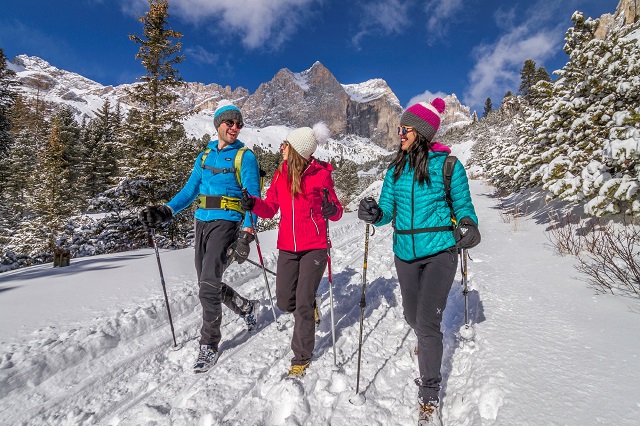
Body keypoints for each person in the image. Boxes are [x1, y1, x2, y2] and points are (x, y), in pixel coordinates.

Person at [357, 99, 480, 425]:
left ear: (422, 133)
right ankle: (426, 344)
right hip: (405, 255)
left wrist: (468, 224)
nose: (400, 133)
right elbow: (386, 213)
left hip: (440, 251)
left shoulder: (447, 166)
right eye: (399, 128)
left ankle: (429, 391)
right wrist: (374, 213)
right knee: (412, 316)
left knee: (426, 323)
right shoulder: (394, 170)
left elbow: (464, 205)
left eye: (405, 129)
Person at [139, 104, 262, 374]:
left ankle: (209, 344)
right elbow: (191, 189)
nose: (234, 127)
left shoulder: (245, 156)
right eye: (229, 122)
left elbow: (254, 198)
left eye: (238, 124)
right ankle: (245, 307)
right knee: (207, 282)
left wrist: (247, 234)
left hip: (227, 222)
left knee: (207, 285)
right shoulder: (205, 154)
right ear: (218, 124)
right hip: (202, 222)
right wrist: (166, 210)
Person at [241, 122, 343, 378]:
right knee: (285, 301)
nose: (281, 147)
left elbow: (337, 209)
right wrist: (253, 203)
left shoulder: (321, 174)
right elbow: (270, 208)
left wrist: (332, 211)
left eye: (285, 144)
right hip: (287, 246)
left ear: (297, 149)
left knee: (303, 306)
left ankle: (301, 356)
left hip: (315, 246)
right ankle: (311, 303)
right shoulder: (280, 174)